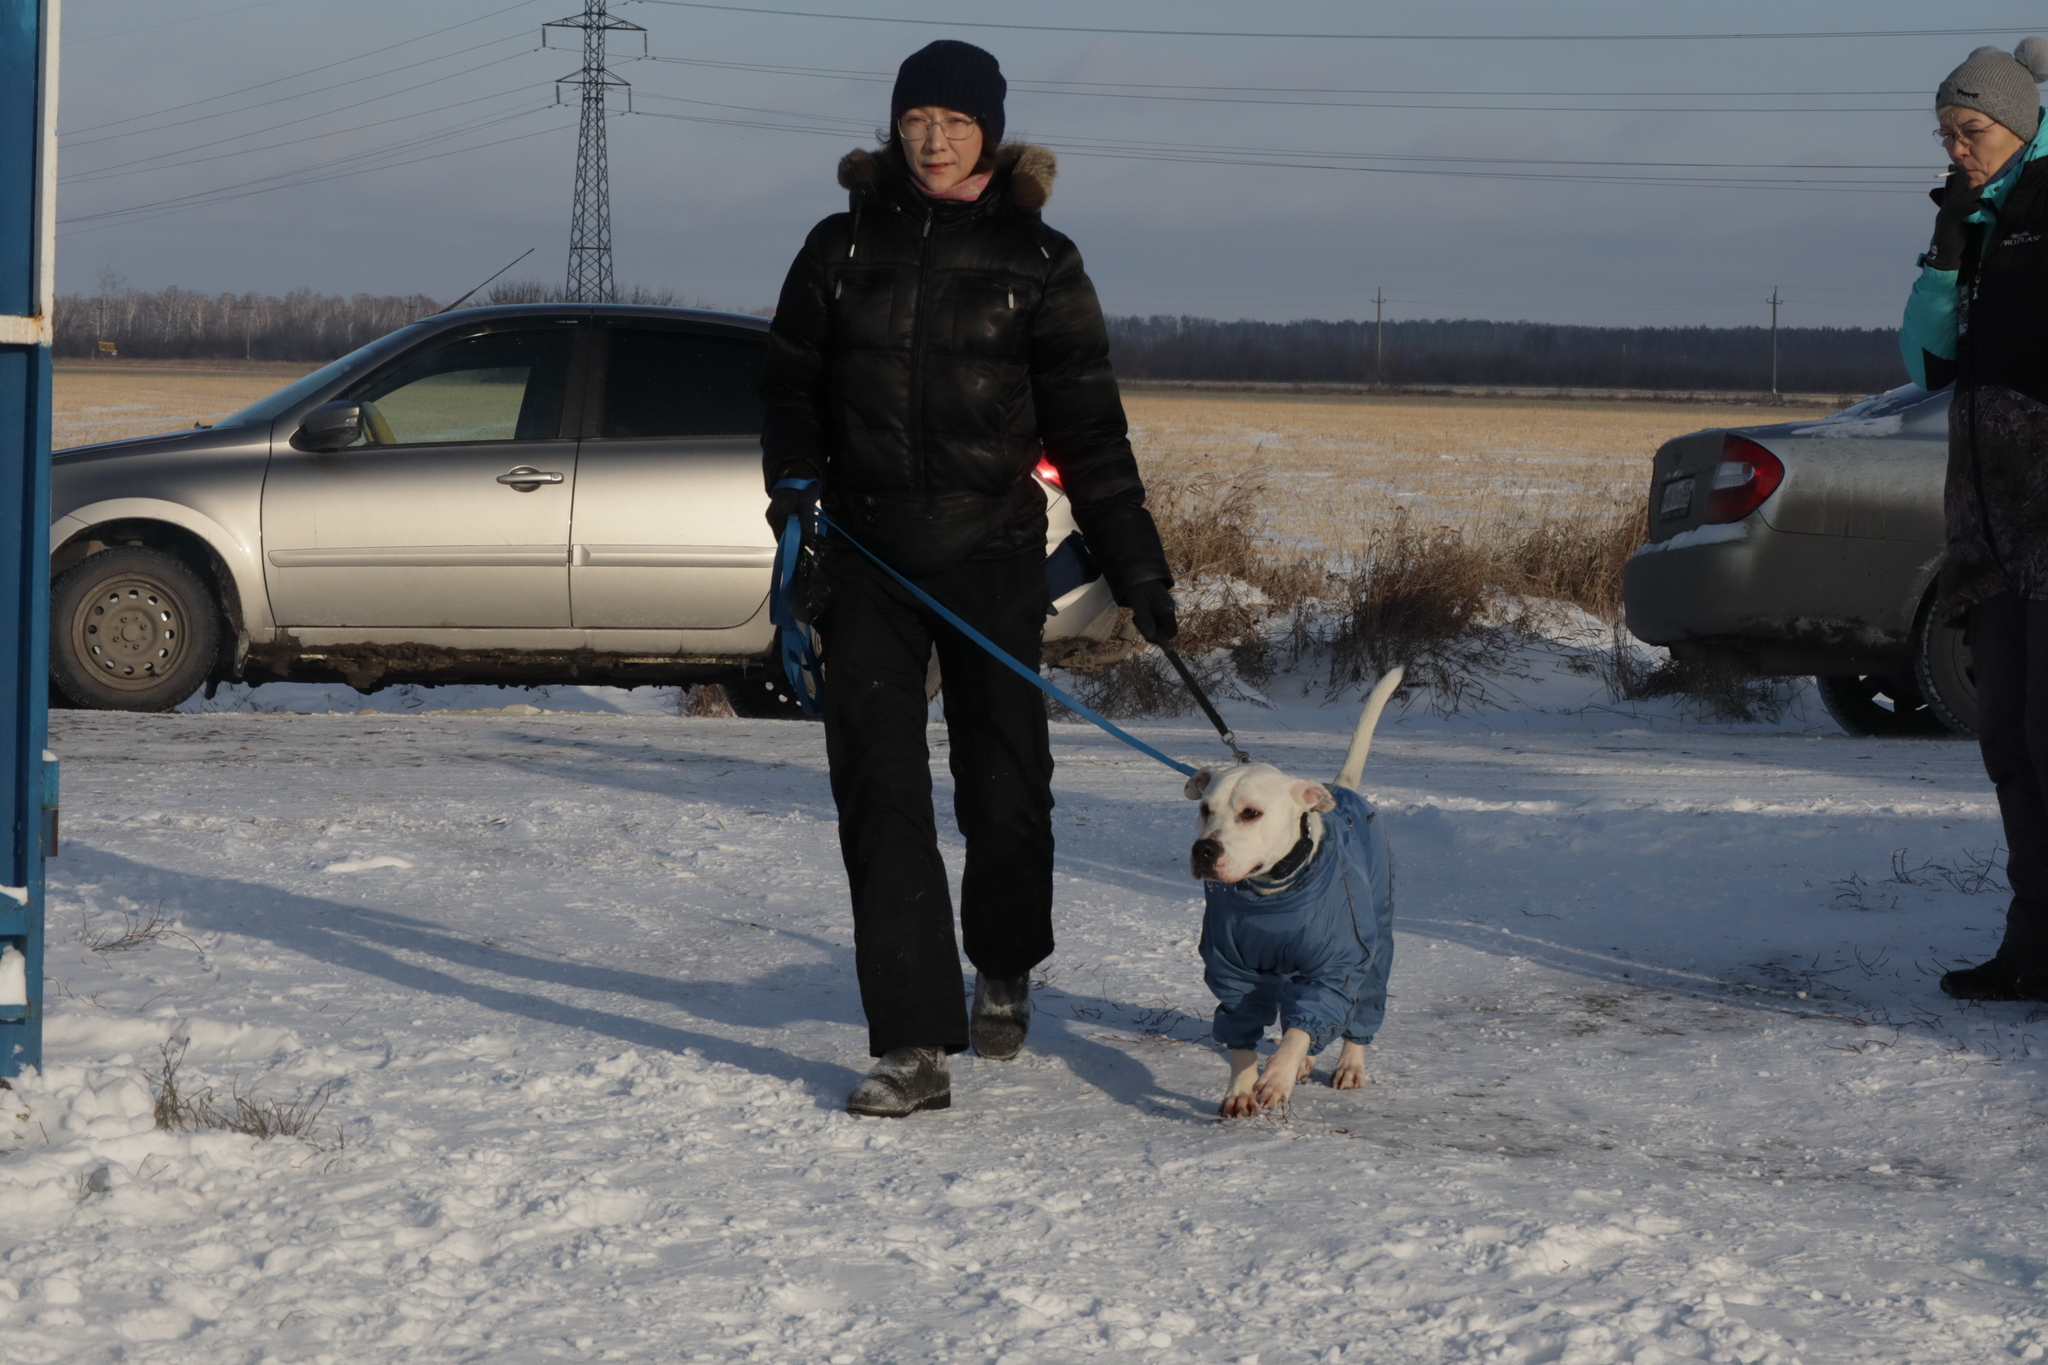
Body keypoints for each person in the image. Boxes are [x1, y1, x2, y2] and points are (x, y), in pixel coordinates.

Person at [759, 40, 1178, 1114]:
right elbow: (792, 388)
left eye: (954, 120)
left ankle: (1001, 962)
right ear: (891, 128)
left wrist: (1134, 559)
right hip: (866, 557)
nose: (933, 139)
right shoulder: (838, 247)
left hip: (992, 552)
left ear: (990, 130)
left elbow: (1088, 425)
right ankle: (910, 1042)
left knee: (1003, 786)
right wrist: (797, 488)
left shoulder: (1040, 260)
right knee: (879, 793)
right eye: (915, 120)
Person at [1900, 38, 2048, 1000]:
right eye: (1947, 132)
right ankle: (2034, 948)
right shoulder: (1979, 221)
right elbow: (1929, 362)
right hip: (1991, 522)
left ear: (2019, 123)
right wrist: (1948, 255)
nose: (1957, 147)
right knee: (2006, 733)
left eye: (1972, 129)